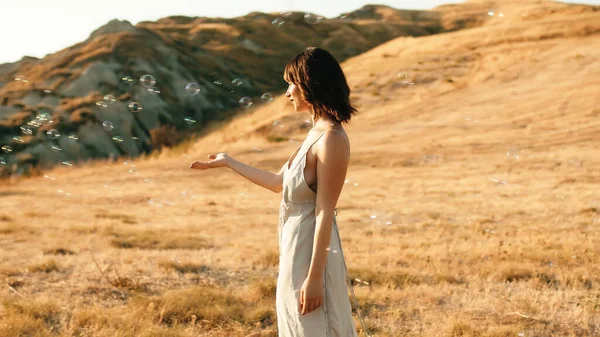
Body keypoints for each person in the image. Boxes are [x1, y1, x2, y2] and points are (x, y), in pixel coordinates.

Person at [190, 47, 359, 337]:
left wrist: (315, 276)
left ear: (309, 83)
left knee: (317, 327)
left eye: (290, 83)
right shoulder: (315, 132)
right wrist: (229, 162)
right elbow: (279, 183)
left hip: (312, 253)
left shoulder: (331, 139)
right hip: (294, 247)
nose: (287, 92)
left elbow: (324, 211)